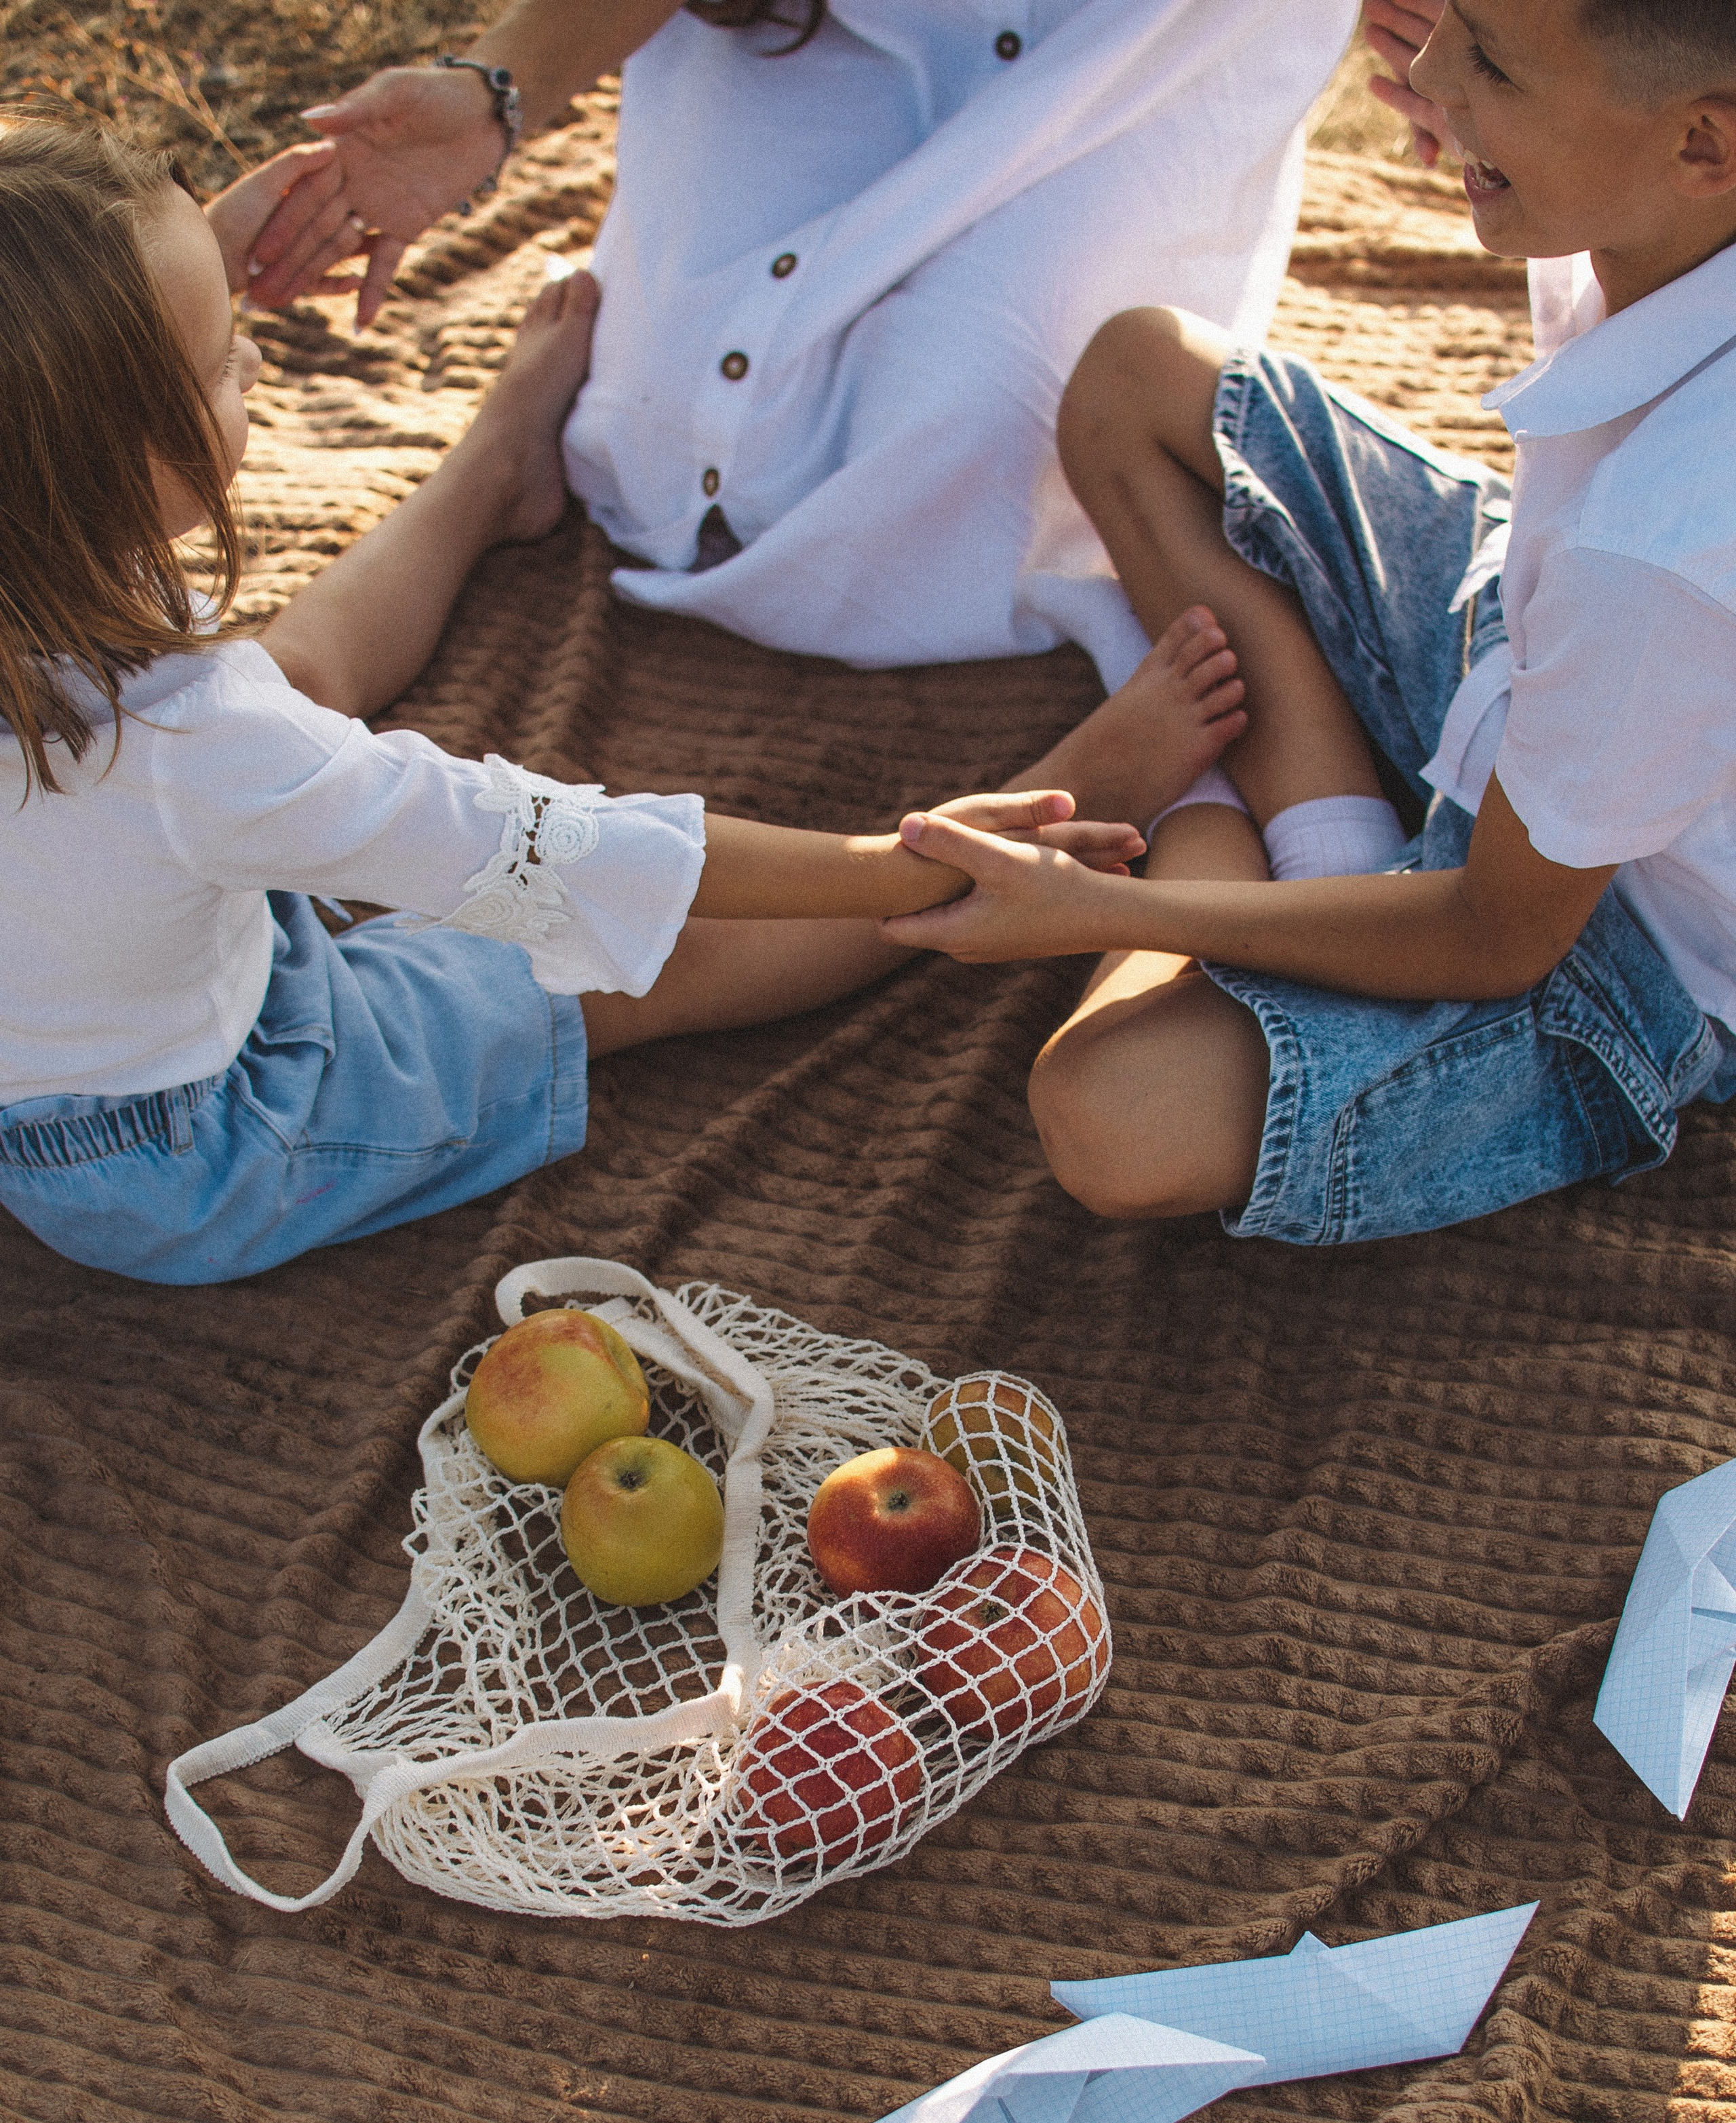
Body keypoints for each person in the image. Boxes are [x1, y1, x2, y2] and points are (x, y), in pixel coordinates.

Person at [0, 115, 1211, 1287]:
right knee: (630, 957)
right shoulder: (188, 741)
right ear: (107, 449)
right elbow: (545, 853)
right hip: (209, 1145)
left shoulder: (46, 548)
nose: (256, 355)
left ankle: (493, 469)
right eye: (220, 359)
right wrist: (885, 868)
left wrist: (148, 269)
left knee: (295, 689)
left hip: (60, 1050)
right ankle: (999, 840)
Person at [877, 0, 1736, 1249]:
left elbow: (1497, 933)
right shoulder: (1671, 204)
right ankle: (1337, 842)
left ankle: (1250, 825)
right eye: (1455, 19)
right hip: (1544, 640)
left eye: (1489, 59)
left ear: (1705, 148)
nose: (1432, 67)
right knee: (1139, 374)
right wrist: (1498, 143)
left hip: (1624, 929)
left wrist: (1119, 910)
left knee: (1111, 1112)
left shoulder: (1667, 541)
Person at [234, 0, 1360, 683]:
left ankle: (496, 465)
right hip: (839, 23)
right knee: (670, 429)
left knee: (968, 443)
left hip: (1129, 51)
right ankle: (497, 460)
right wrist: (496, 96)